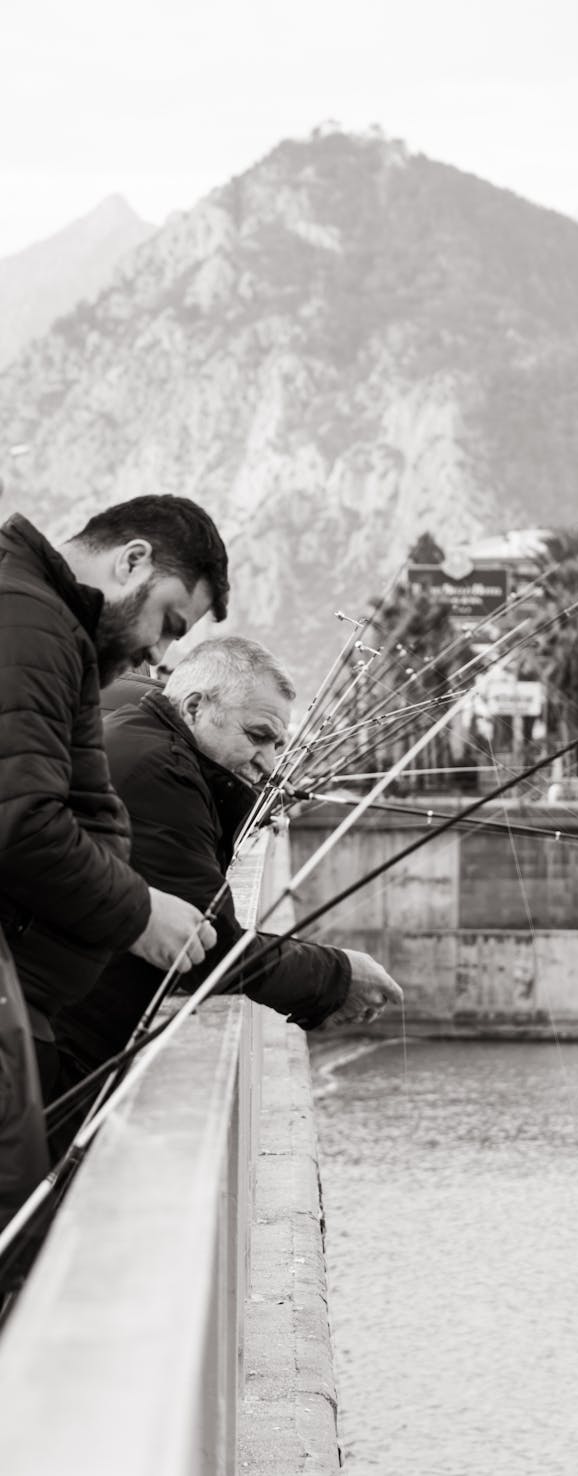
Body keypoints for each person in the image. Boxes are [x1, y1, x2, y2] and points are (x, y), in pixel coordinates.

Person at [52, 637, 403, 1123]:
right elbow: (208, 947)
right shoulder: (159, 772)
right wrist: (337, 976)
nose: (269, 761)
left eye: (278, 744)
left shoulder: (139, 728)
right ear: (194, 707)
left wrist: (234, 800)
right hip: (61, 1049)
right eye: (256, 735)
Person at [0, 496, 229, 1236]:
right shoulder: (30, 620)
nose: (162, 654)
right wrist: (141, 915)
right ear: (131, 560)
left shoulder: (40, 619)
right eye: (168, 620)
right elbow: (22, 822)